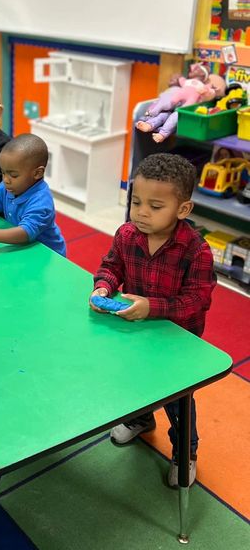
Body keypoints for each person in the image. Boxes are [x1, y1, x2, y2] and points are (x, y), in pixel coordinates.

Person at [89, 153, 216, 487]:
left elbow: (198, 300)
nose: (142, 212)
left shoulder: (196, 250)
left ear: (183, 209)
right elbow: (112, 266)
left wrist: (153, 307)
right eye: (136, 202)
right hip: (135, 331)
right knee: (135, 383)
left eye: (155, 206)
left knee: (177, 401)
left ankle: (185, 453)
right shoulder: (127, 234)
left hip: (177, 342)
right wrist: (103, 286)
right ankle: (141, 419)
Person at [0, 133, 66, 256]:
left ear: (37, 173)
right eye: (3, 173)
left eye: (13, 175)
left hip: (47, 253)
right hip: (23, 249)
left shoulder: (41, 201)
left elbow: (25, 233)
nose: (5, 179)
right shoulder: (8, 186)